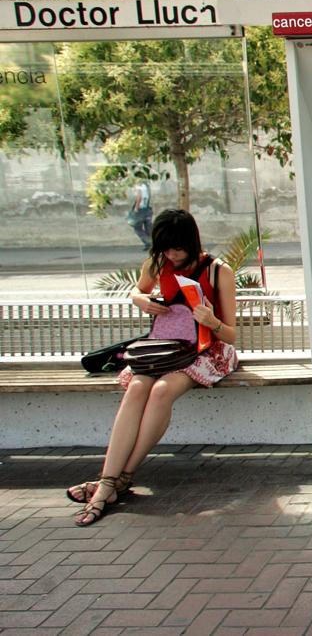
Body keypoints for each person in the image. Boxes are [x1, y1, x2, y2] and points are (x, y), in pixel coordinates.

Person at [67, 209, 238, 525]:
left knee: (160, 392)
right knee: (136, 388)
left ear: (191, 242)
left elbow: (231, 334)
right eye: (166, 248)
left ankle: (117, 480)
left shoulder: (218, 271)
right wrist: (140, 300)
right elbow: (138, 290)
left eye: (178, 248)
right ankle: (110, 481)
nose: (172, 255)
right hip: (162, 351)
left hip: (205, 351)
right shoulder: (158, 264)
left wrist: (211, 320)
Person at [128, 179, 154, 250]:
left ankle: (148, 242)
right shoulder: (147, 187)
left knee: (137, 228)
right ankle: (153, 243)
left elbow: (139, 197)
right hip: (147, 209)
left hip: (140, 210)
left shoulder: (139, 187)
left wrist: (136, 209)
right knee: (148, 227)